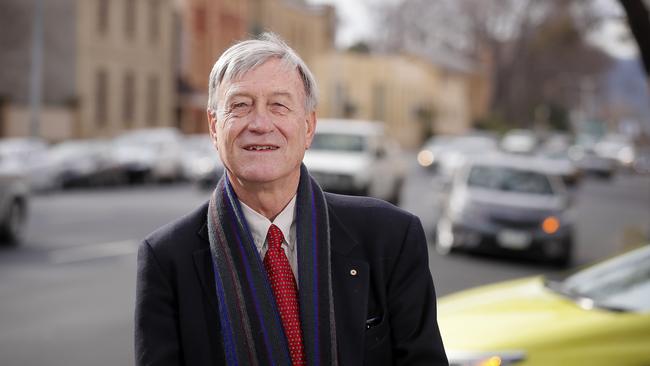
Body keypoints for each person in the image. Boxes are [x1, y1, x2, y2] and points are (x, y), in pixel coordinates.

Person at [134, 32, 448, 366]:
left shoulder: (391, 238)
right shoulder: (167, 260)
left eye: (279, 105)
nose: (259, 123)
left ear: (309, 126)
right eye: (240, 105)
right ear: (214, 127)